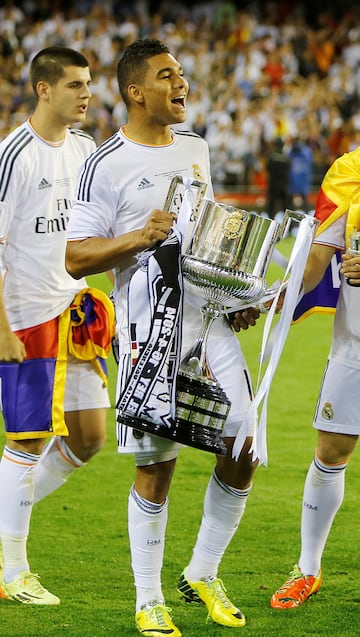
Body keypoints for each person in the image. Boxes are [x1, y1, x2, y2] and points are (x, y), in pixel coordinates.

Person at [66, 38, 260, 637]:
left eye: (181, 73)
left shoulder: (197, 148)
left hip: (210, 322)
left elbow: (208, 234)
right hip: (149, 332)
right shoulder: (106, 162)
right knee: (158, 464)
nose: (182, 84)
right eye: (166, 75)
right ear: (135, 91)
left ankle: (202, 571)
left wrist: (238, 293)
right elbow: (76, 256)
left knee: (244, 445)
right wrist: (138, 238)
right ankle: (148, 599)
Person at [0, 46, 114, 606]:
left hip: (75, 310)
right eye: (75, 84)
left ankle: (4, 516)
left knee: (91, 436)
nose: (87, 93)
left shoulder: (88, 149)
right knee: (28, 439)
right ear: (43, 89)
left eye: (88, 83)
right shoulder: (14, 155)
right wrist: (1, 329)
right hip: (26, 315)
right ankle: (13, 568)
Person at [270, 145, 360, 610]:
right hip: (356, 346)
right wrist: (270, 298)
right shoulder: (349, 171)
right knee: (330, 451)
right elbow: (315, 260)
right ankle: (308, 568)